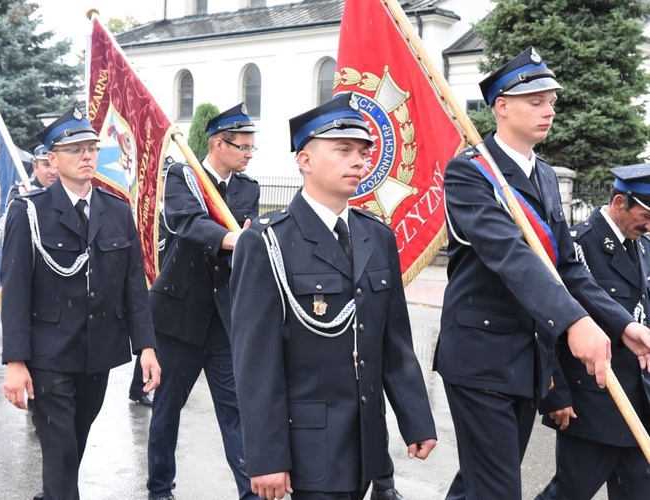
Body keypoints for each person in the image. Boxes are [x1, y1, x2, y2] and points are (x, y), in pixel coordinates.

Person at [436, 46, 650, 499]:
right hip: (480, 357)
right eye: (535, 101)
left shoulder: (546, 176)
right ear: (502, 106)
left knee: (479, 484)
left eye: (551, 101)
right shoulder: (469, 173)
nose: (548, 110)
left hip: (525, 359)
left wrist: (624, 325)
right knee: (497, 489)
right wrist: (575, 322)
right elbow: (514, 257)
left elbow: (569, 267)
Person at [229, 93, 437, 500]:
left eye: (362, 151)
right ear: (304, 160)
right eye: (342, 150)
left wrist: (416, 419)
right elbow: (256, 361)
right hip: (308, 447)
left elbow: (393, 342)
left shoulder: (376, 236)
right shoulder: (266, 241)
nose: (358, 161)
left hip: (368, 445)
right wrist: (267, 456)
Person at [1, 106, 161, 500]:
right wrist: (16, 362)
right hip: (49, 352)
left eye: (91, 147)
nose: (87, 155)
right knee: (60, 448)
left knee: (74, 440)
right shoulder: (30, 212)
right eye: (76, 149)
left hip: (98, 352)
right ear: (52, 159)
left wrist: (147, 347)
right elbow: (16, 292)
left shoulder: (117, 210)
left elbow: (133, 288)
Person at [146, 103, 260, 500]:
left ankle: (249, 491)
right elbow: (188, 223)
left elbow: (249, 236)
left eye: (251, 148)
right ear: (218, 143)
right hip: (180, 315)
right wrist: (234, 239)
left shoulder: (249, 187)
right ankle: (160, 488)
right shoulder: (183, 176)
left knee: (236, 411)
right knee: (167, 409)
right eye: (243, 146)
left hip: (225, 320)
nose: (249, 153)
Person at [536, 164, 650, 499]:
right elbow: (547, 325)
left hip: (637, 403)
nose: (648, 225)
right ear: (618, 204)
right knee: (571, 492)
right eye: (644, 215)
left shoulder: (643, 246)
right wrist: (554, 393)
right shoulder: (577, 248)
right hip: (592, 401)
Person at [128, 156, 173, 408]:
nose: (166, 184)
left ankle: (145, 385)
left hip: (166, 284)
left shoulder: (174, 211)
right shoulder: (148, 212)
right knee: (149, 339)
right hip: (148, 285)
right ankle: (140, 386)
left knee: (158, 340)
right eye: (163, 179)